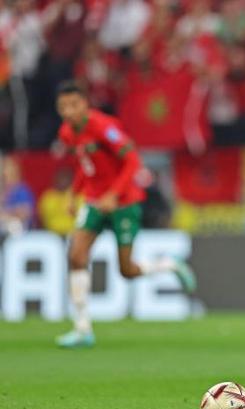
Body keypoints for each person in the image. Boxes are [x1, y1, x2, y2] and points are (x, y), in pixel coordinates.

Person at [54, 81, 196, 348]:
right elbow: (86, 165)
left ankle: (170, 264)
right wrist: (74, 193)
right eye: (63, 107)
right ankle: (82, 329)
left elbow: (132, 161)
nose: (68, 111)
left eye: (73, 105)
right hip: (95, 202)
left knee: (127, 270)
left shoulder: (103, 127)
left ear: (85, 104)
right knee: (75, 255)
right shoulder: (67, 133)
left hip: (125, 202)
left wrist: (113, 194)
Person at [37, 167, 79, 236]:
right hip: (52, 234)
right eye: (61, 177)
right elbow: (42, 219)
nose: (63, 180)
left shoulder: (78, 196)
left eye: (66, 177)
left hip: (74, 234)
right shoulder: (48, 197)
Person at [0, 156, 35, 234]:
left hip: (18, 230)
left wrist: (6, 214)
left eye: (6, 167)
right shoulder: (2, 190)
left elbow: (25, 212)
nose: (3, 171)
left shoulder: (22, 190)